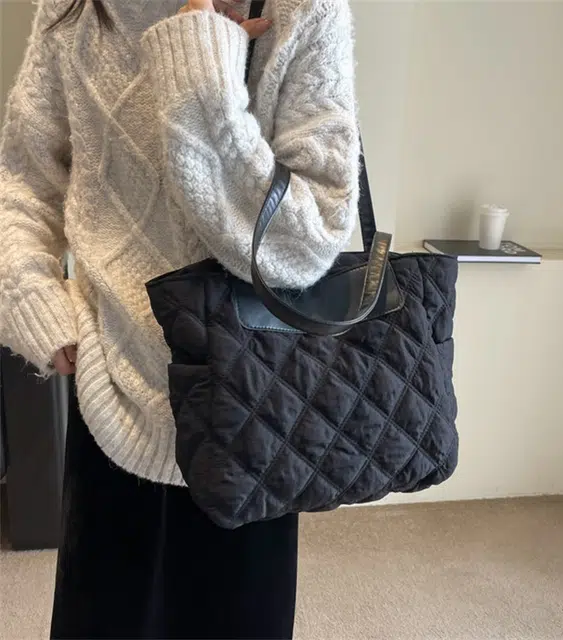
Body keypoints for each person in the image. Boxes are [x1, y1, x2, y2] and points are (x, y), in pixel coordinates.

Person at [0, 0, 360, 637]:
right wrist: (33, 299)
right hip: (108, 393)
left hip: (253, 407)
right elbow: (22, 183)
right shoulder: (76, 12)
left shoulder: (303, 11)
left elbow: (305, 246)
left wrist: (202, 75)